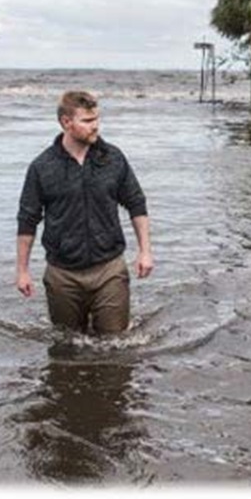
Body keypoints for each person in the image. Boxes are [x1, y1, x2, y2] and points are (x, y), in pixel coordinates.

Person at [15, 90, 153, 335]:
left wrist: (145, 251)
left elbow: (136, 204)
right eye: (88, 121)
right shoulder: (42, 167)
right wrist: (23, 271)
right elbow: (27, 220)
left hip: (109, 269)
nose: (96, 126)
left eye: (97, 119)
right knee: (67, 344)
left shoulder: (113, 158)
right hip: (62, 275)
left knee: (115, 345)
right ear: (66, 122)